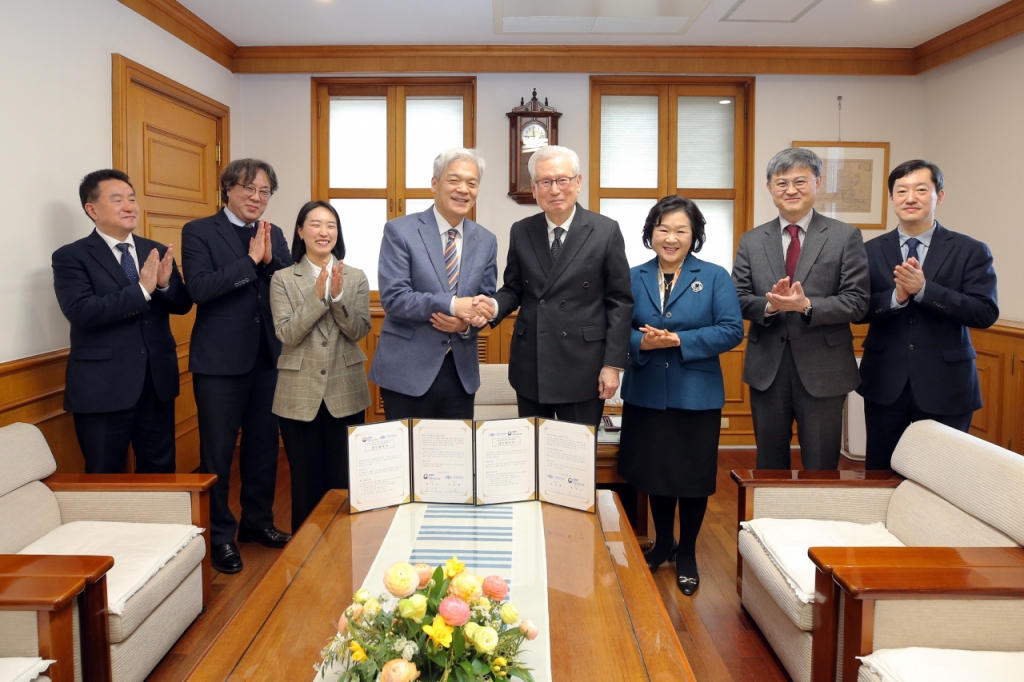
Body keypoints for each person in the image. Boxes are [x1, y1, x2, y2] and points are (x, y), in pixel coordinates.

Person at [617, 196, 744, 595]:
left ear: (695, 236)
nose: (670, 238)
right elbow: (615, 329)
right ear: (650, 233)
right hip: (647, 392)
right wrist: (642, 342)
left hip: (696, 394)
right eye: (663, 229)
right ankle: (663, 543)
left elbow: (731, 330)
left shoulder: (715, 276)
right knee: (656, 474)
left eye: (680, 230)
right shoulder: (632, 276)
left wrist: (677, 340)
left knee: (691, 478)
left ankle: (686, 551)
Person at [181, 158, 294, 575]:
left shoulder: (274, 234)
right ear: (228, 189)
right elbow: (199, 288)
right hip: (220, 362)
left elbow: (285, 283)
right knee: (218, 452)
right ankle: (219, 537)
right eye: (248, 188)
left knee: (264, 447)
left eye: (264, 191)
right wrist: (250, 263)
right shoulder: (199, 231)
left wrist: (270, 263)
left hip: (268, 357)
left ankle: (257, 523)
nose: (256, 197)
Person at [732, 148, 869, 470]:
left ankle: (818, 519)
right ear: (769, 188)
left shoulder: (844, 236)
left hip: (825, 368)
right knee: (769, 462)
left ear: (817, 183)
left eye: (799, 181)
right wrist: (769, 305)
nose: (790, 190)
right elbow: (737, 297)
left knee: (821, 464)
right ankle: (768, 521)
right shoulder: (752, 240)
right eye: (781, 183)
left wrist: (806, 305)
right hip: (768, 367)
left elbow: (858, 302)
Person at [858, 160, 998, 470]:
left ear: (939, 196)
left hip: (946, 384)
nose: (911, 198)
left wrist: (925, 291)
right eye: (902, 191)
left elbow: (984, 311)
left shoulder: (970, 250)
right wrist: (896, 297)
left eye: (921, 190)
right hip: (885, 382)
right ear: (892, 198)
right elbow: (857, 309)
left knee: (942, 476)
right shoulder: (868, 251)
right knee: (882, 471)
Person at [52, 169, 192, 473]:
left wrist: (166, 285)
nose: (130, 206)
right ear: (92, 209)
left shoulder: (152, 249)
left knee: (160, 470)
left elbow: (182, 305)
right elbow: (82, 311)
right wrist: (142, 290)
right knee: (105, 474)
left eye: (131, 198)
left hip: (156, 384)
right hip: (103, 388)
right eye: (117, 200)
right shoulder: (71, 257)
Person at [485, 145, 632, 426]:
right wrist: (492, 306)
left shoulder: (605, 230)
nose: (555, 189)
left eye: (562, 180)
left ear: (578, 182)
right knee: (533, 454)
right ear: (534, 187)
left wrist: (613, 365)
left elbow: (620, 302)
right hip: (532, 363)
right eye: (546, 181)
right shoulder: (521, 230)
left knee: (574, 458)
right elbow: (513, 289)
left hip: (584, 365)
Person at [368, 148, 498, 420]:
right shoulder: (400, 230)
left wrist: (467, 321)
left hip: (460, 372)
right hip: (407, 371)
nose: (464, 189)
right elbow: (394, 297)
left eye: (472, 183)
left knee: (454, 458)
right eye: (454, 180)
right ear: (434, 183)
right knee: (408, 458)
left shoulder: (486, 240)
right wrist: (452, 305)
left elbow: (485, 298)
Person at [270, 201, 371, 532]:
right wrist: (316, 297)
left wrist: (339, 299)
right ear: (300, 231)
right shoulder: (283, 279)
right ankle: (305, 559)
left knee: (344, 482)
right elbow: (287, 333)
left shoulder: (355, 277)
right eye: (315, 224)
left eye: (331, 225)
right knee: (305, 483)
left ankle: (345, 551)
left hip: (347, 387)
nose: (324, 231)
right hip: (299, 393)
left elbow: (358, 330)